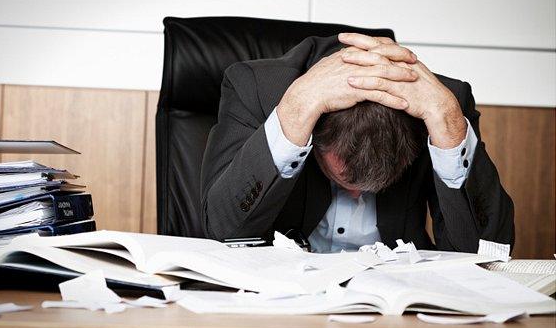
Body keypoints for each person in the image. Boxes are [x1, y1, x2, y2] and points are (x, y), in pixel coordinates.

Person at [200, 33, 514, 253]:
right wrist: (295, 111)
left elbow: (487, 253)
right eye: (341, 178)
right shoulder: (257, 89)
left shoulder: (440, 106)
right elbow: (223, 233)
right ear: (316, 140)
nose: (356, 194)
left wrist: (449, 126)